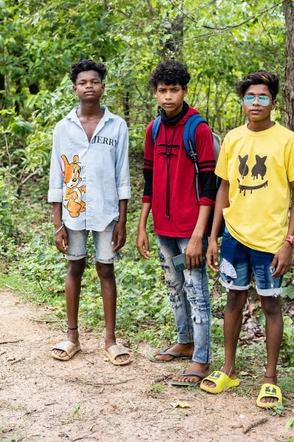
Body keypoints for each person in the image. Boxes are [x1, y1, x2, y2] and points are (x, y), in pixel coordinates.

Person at [201, 70, 294, 407]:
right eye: (250, 97)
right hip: (234, 238)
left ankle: (270, 379)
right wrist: (214, 236)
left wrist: (288, 242)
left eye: (263, 97)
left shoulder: (287, 140)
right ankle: (229, 370)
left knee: (270, 305)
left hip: (270, 242)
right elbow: (224, 188)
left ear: (273, 102)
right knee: (232, 301)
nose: (257, 102)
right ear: (243, 102)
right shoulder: (233, 139)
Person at [136, 60, 217, 386]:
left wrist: (200, 235)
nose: (168, 97)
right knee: (174, 289)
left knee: (196, 291)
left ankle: (201, 359)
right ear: (155, 93)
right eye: (162, 90)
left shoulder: (197, 129)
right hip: (163, 229)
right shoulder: (153, 130)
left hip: (190, 231)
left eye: (174, 90)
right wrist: (142, 225)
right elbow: (148, 179)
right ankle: (184, 342)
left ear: (184, 91)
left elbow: (210, 186)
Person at [48, 59, 132, 365]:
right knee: (75, 267)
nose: (88, 87)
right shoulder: (63, 128)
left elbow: (122, 175)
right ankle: (72, 337)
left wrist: (122, 219)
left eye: (94, 82)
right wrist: (57, 222)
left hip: (107, 212)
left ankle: (110, 340)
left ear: (103, 87)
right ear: (74, 89)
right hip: (73, 212)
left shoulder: (116, 125)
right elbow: (56, 176)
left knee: (106, 270)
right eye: (82, 83)